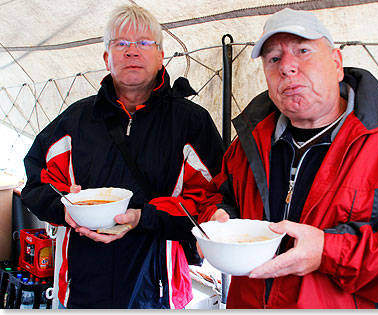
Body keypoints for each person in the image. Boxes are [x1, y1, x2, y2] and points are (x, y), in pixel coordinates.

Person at [197, 8, 378, 309]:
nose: (287, 67)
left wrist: (330, 250)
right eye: (273, 59)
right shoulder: (249, 140)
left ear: (337, 63)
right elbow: (220, 198)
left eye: (303, 50)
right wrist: (219, 219)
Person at [21, 4, 225, 309]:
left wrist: (144, 217)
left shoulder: (190, 122)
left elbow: (211, 200)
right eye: (121, 43)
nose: (133, 51)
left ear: (160, 56)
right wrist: (62, 206)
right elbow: (37, 183)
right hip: (79, 289)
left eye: (144, 43)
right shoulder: (75, 121)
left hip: (158, 290)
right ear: (107, 58)